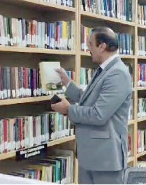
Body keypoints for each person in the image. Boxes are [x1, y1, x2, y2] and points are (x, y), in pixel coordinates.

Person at [52, 27, 132, 184]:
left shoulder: (118, 73)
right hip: (92, 154)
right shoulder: (104, 69)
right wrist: (67, 83)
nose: (87, 48)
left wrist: (68, 110)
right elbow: (88, 100)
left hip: (106, 159)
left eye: (90, 44)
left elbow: (98, 114)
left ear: (101, 46)